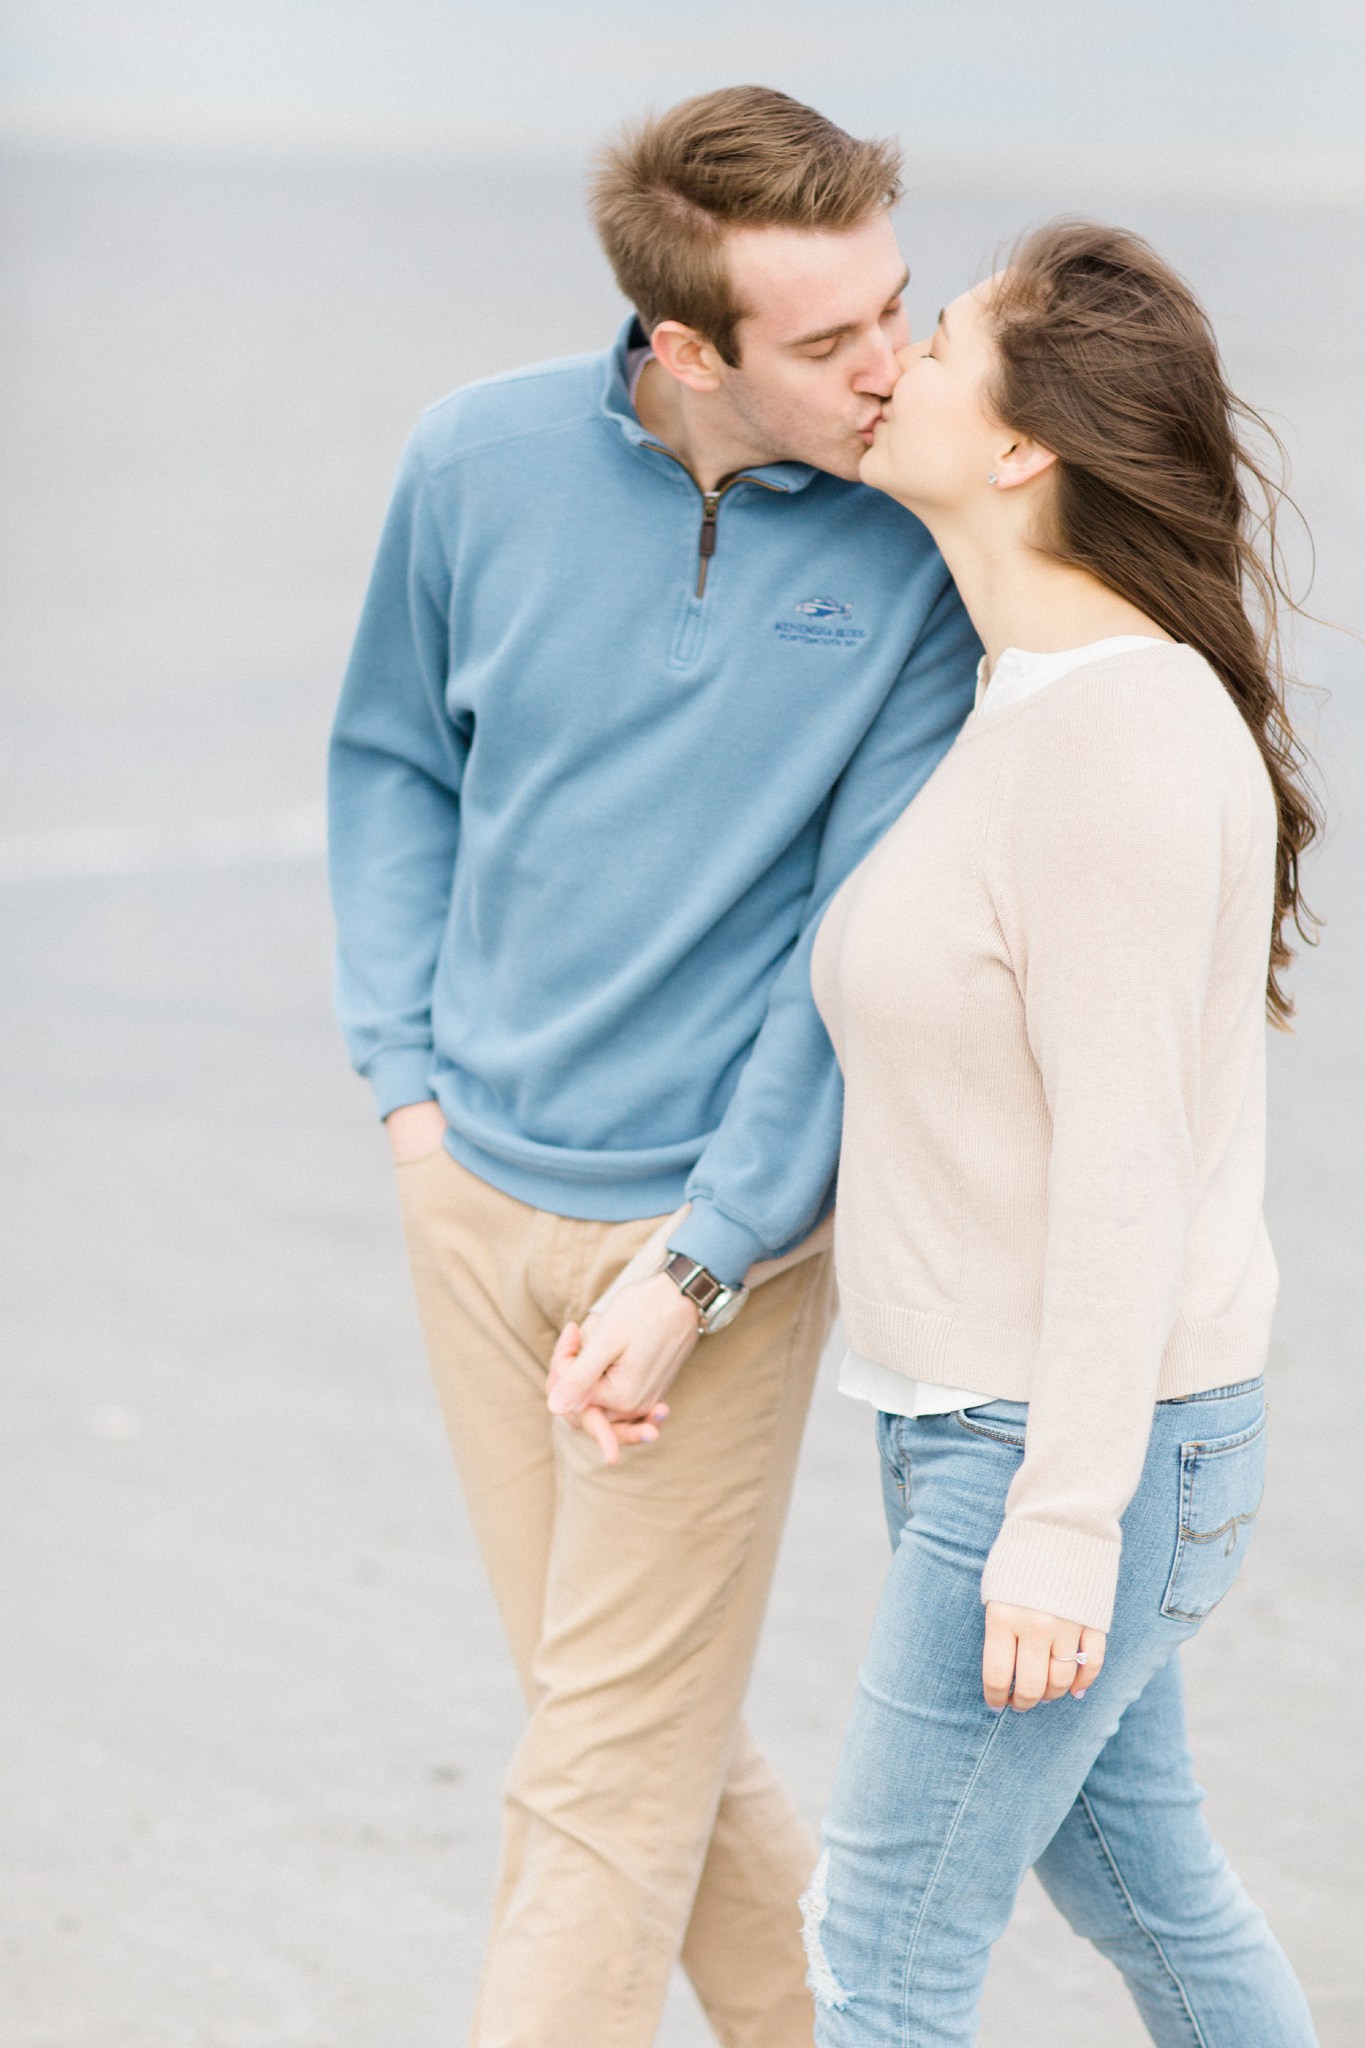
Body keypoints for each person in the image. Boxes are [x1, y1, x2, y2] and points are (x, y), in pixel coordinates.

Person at [327, 87, 979, 2048]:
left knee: (598, 1784)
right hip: (471, 1191)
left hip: (708, 1237)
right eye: (829, 338)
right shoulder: (472, 462)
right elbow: (389, 761)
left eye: (896, 304)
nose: (894, 363)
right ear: (683, 347)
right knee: (631, 1730)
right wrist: (405, 1087)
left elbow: (841, 960)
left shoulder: (914, 553)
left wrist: (700, 1255)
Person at [802, 219, 1322, 2045]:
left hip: (1062, 1442)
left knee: (877, 1964)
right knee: (1149, 1894)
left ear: (1020, 444)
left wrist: (1060, 1516)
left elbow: (1122, 1155)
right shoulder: (1028, 700)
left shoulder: (1112, 737)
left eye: (930, 345)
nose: (888, 371)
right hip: (1014, 1425)